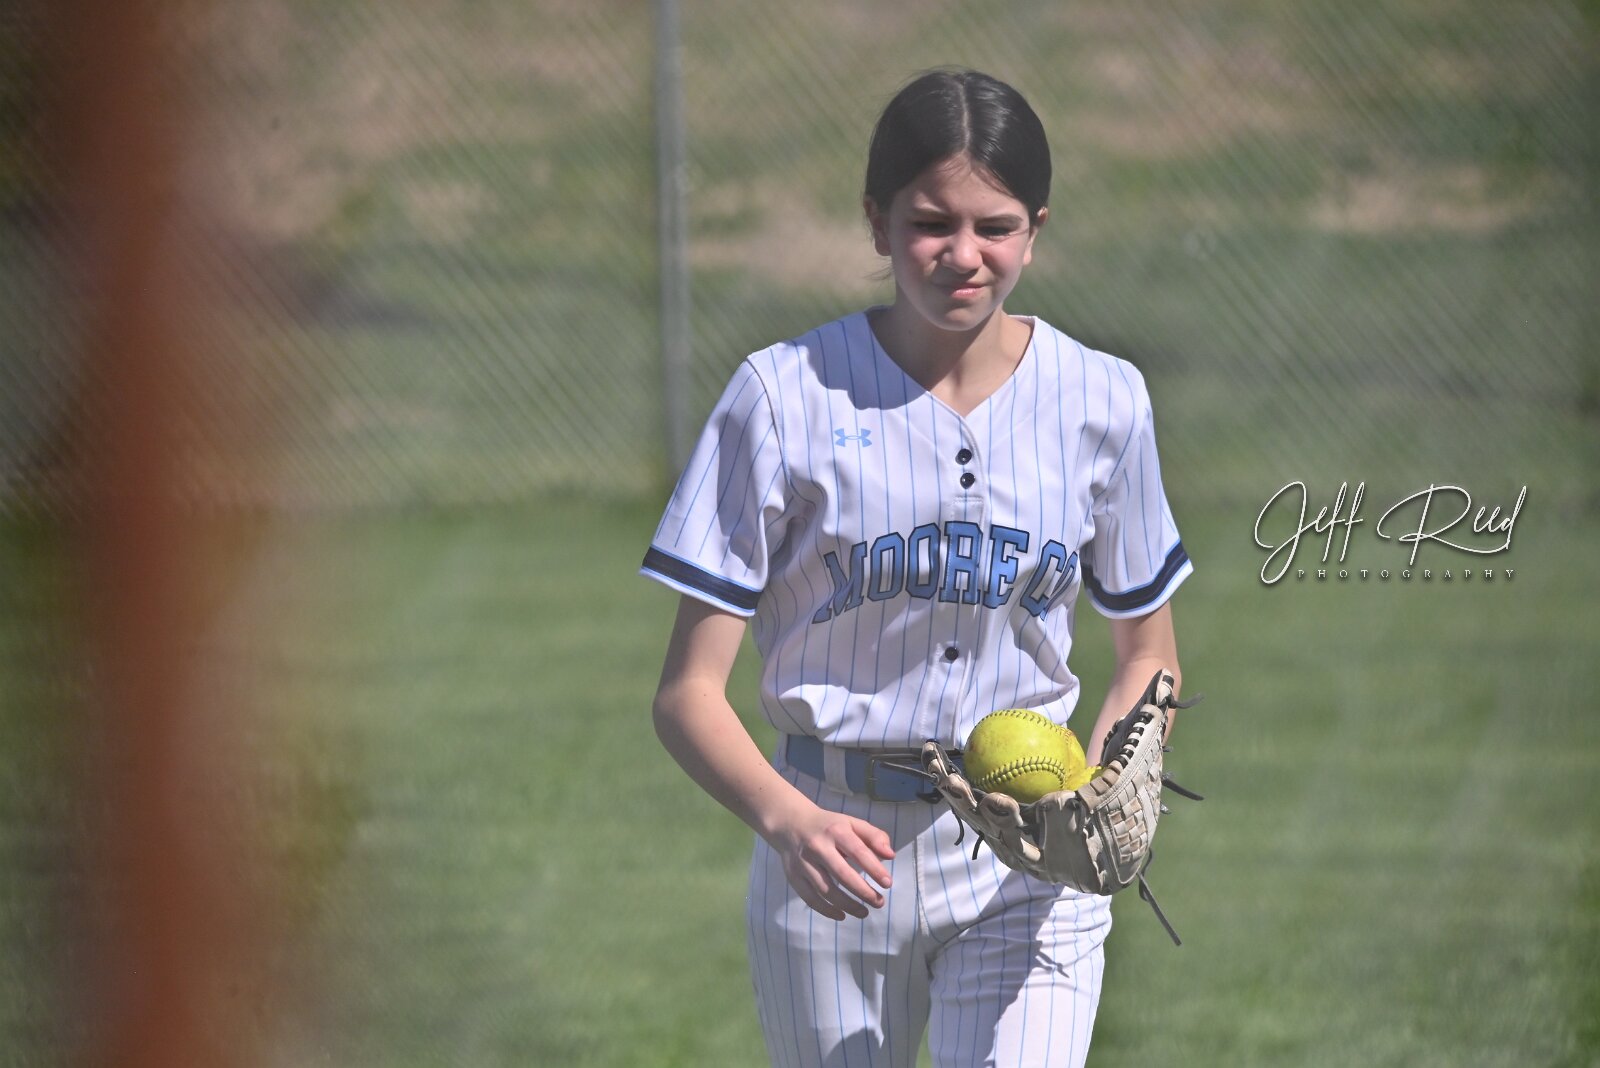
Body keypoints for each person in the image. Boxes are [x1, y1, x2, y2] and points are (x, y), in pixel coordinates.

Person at [642, 68, 1191, 1068]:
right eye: (932, 222)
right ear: (877, 223)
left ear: (1035, 230)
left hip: (1029, 859)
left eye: (996, 226)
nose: (964, 254)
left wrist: (1108, 784)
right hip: (830, 852)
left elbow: (1147, 654)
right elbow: (686, 695)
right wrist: (789, 823)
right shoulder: (783, 398)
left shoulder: (1104, 401)